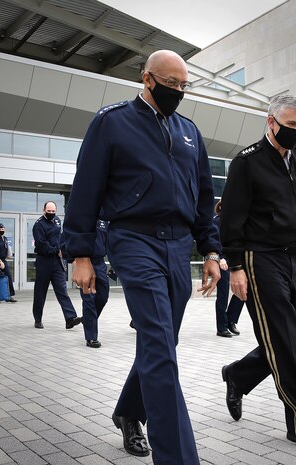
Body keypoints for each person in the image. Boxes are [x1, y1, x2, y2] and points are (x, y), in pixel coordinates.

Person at [64, 50, 221, 464]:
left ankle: (129, 412)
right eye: (171, 84)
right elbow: (85, 189)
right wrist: (80, 253)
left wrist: (210, 248)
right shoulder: (111, 122)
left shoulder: (189, 131)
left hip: (178, 245)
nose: (178, 92)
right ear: (147, 78)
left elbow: (203, 194)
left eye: (184, 86)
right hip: (133, 240)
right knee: (161, 348)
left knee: (161, 344)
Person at [219, 95, 296, 454]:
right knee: (284, 345)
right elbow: (231, 218)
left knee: (295, 336)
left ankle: (238, 374)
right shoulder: (246, 162)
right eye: (290, 125)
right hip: (260, 259)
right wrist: (236, 267)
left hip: (294, 258)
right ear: (271, 122)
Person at [31, 201, 81, 330]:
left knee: (62, 291)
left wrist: (64, 250)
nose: (51, 214)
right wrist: (56, 251)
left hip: (57, 262)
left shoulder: (57, 221)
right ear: (44, 210)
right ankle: (38, 319)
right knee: (40, 292)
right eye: (49, 211)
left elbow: (61, 238)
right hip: (44, 261)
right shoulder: (39, 225)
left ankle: (70, 318)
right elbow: (41, 244)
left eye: (53, 212)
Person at [213, 200, 244, 338]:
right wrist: (220, 258)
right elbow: (214, 242)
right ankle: (221, 327)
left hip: (235, 260)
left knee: (242, 291)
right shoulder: (216, 221)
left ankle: (231, 320)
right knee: (223, 294)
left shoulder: (235, 222)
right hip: (222, 261)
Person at [77, 219, 109, 348]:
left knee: (103, 296)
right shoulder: (81, 217)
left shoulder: (104, 220)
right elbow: (69, 238)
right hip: (85, 261)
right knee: (89, 298)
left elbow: (109, 241)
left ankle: (87, 319)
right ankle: (91, 337)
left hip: (100, 262)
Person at [0, 223, 17, 303]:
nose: (1, 231)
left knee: (9, 277)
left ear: (5, 230)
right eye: (0, 229)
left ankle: (9, 296)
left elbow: (7, 248)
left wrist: (9, 255)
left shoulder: (5, 238)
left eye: (2, 229)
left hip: (4, 260)